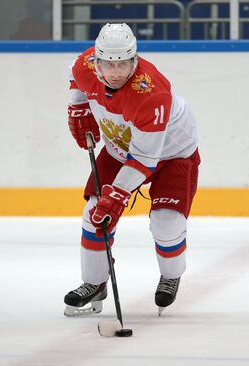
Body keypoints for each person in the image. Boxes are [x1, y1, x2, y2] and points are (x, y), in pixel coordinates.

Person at [63, 23, 200, 317]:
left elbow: (144, 159)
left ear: (134, 61)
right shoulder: (86, 65)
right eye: (108, 64)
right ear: (96, 61)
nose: (115, 71)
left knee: (167, 222)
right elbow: (74, 76)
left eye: (123, 64)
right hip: (120, 146)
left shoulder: (150, 93)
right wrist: (79, 107)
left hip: (172, 153)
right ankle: (94, 283)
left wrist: (118, 194)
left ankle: (171, 274)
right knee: (94, 213)